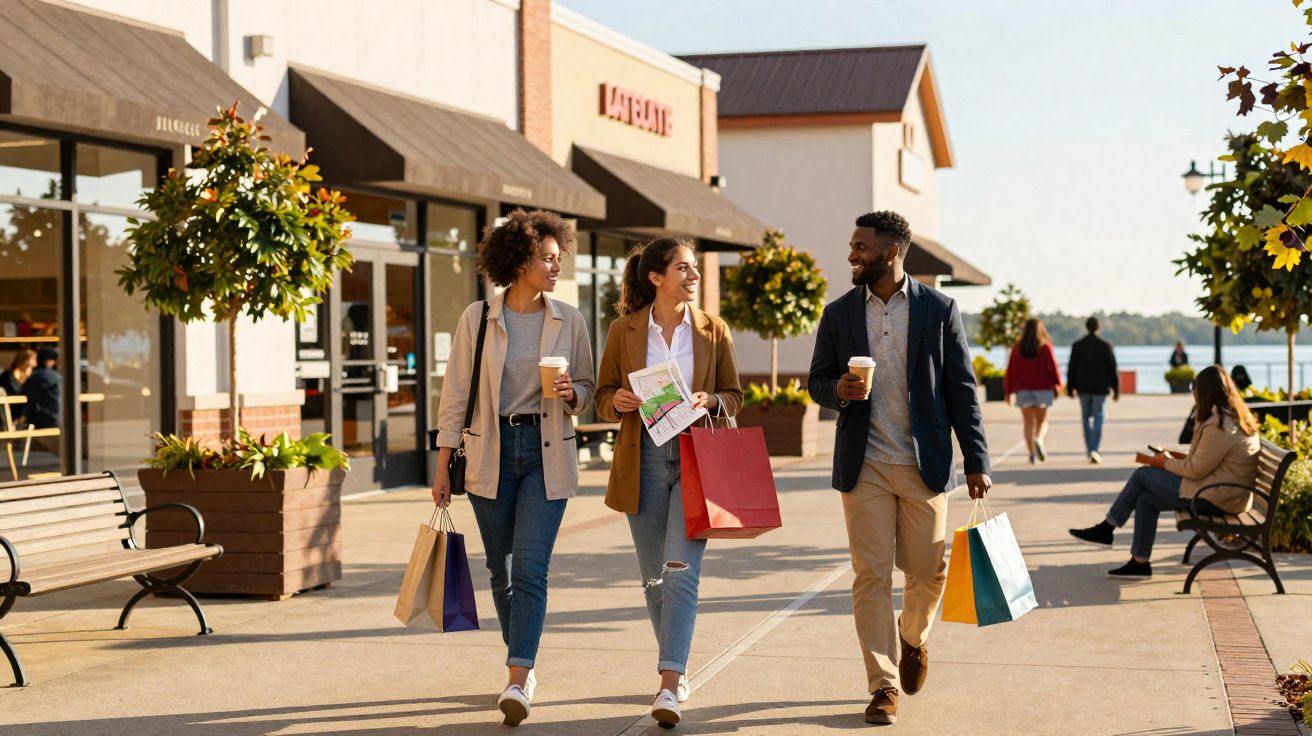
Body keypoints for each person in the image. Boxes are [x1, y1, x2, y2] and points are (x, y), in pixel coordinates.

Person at [807, 210, 991, 726]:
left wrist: (976, 459)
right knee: (870, 576)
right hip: (862, 464)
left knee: (927, 572)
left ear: (891, 251)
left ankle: (913, 638)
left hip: (923, 464)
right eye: (851, 246)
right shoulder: (840, 313)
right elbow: (817, 380)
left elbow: (962, 391)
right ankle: (882, 684)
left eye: (860, 247)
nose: (851, 255)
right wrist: (836, 391)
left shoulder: (938, 309)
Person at [430, 209, 595, 727]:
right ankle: (519, 655)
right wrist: (440, 466)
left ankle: (519, 675)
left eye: (558, 258)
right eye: (546, 258)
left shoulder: (572, 319)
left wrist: (573, 393)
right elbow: (455, 395)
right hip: (490, 452)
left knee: (530, 569)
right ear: (518, 259)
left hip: (546, 452)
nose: (556, 267)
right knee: (498, 570)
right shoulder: (477, 318)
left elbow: (588, 390)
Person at [594, 237, 743, 728]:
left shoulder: (712, 330)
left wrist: (710, 400)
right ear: (657, 277)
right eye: (684, 267)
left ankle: (668, 682)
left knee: (680, 570)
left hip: (696, 459)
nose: (693, 275)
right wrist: (616, 401)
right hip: (644, 462)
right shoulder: (624, 330)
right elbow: (601, 395)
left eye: (695, 267)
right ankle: (676, 668)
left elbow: (734, 395)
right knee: (654, 578)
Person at [1069, 365, 1259, 579]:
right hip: (1222, 492)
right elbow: (1203, 462)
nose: (1193, 394)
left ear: (1204, 392)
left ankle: (1107, 528)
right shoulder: (1229, 417)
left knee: (1143, 474)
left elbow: (1195, 470)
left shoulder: (1220, 425)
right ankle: (1139, 563)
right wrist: (1171, 457)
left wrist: (1163, 463)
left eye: (1194, 389)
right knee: (1146, 498)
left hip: (1215, 497)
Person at [1003, 317, 1062, 463]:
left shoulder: (1017, 348)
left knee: (1028, 424)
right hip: (1043, 390)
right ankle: (1039, 439)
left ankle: (1031, 455)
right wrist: (1058, 385)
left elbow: (1011, 370)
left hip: (1023, 390)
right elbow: (1053, 368)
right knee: (1042, 421)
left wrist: (1008, 391)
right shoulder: (1045, 347)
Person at [1066, 317, 1119, 464]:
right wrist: (1116, 389)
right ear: (1098, 327)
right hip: (1100, 389)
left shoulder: (1077, 346)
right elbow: (1113, 369)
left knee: (1085, 419)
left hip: (1083, 388)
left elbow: (1071, 369)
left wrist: (1070, 388)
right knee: (1098, 418)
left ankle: (1090, 449)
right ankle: (1094, 449)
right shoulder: (1106, 346)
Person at [21, 348, 60, 430]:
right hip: (56, 422)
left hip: (35, 424)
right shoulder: (57, 378)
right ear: (51, 361)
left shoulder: (31, 378)